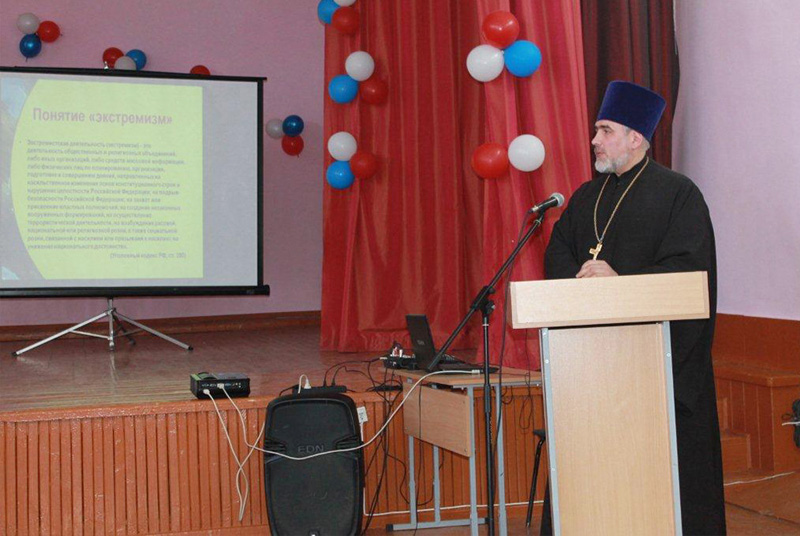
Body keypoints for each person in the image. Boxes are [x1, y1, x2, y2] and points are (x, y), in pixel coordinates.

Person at [541, 81, 726, 535]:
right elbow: (558, 254)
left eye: (605, 130)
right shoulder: (586, 196)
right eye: (596, 130)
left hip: (655, 368)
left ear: (636, 137)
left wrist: (620, 282)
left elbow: (690, 273)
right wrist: (585, 283)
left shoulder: (679, 194)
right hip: (590, 366)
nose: (595, 140)